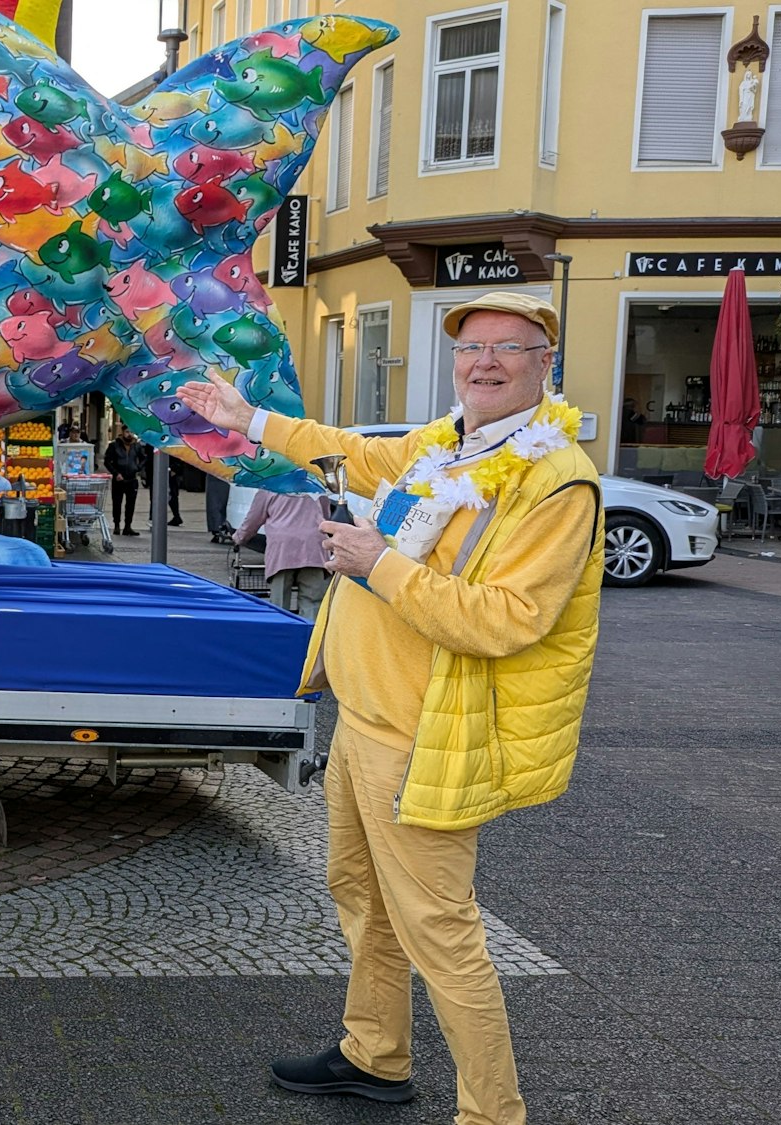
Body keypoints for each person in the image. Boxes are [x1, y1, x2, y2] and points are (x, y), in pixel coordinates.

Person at [179, 292, 603, 1125]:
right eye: (471, 346)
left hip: (424, 736)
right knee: (361, 896)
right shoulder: (448, 442)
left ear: (544, 364)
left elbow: (506, 621)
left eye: (507, 348)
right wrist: (246, 416)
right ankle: (376, 1053)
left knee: (441, 932)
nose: (484, 361)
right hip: (362, 720)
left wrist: (378, 563)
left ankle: (494, 1113)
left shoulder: (556, 481)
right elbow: (348, 454)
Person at [234, 489, 334, 619]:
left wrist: (239, 538)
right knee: (312, 602)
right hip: (313, 546)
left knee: (279, 602)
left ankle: (281, 633)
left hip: (282, 549)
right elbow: (325, 515)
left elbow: (253, 519)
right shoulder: (314, 483)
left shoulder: (269, 485)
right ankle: (309, 635)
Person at [105, 426, 145, 537]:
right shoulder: (114, 445)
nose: (129, 434)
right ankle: (117, 525)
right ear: (122, 432)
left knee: (130, 504)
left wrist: (138, 468)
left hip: (131, 479)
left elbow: (144, 458)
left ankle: (128, 526)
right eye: (127, 431)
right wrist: (115, 473)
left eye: (131, 432)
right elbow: (107, 461)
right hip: (119, 479)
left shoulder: (136, 445)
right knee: (117, 503)